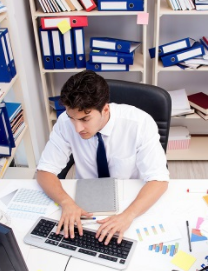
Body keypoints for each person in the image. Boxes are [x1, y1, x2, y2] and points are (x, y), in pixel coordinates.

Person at [36, 70, 169, 245]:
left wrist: (128, 216)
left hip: (131, 201)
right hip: (84, 205)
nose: (77, 128)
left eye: (85, 119)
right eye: (72, 118)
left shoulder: (140, 124)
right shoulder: (64, 123)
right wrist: (66, 202)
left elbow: (159, 180)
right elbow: (44, 171)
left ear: (105, 109)